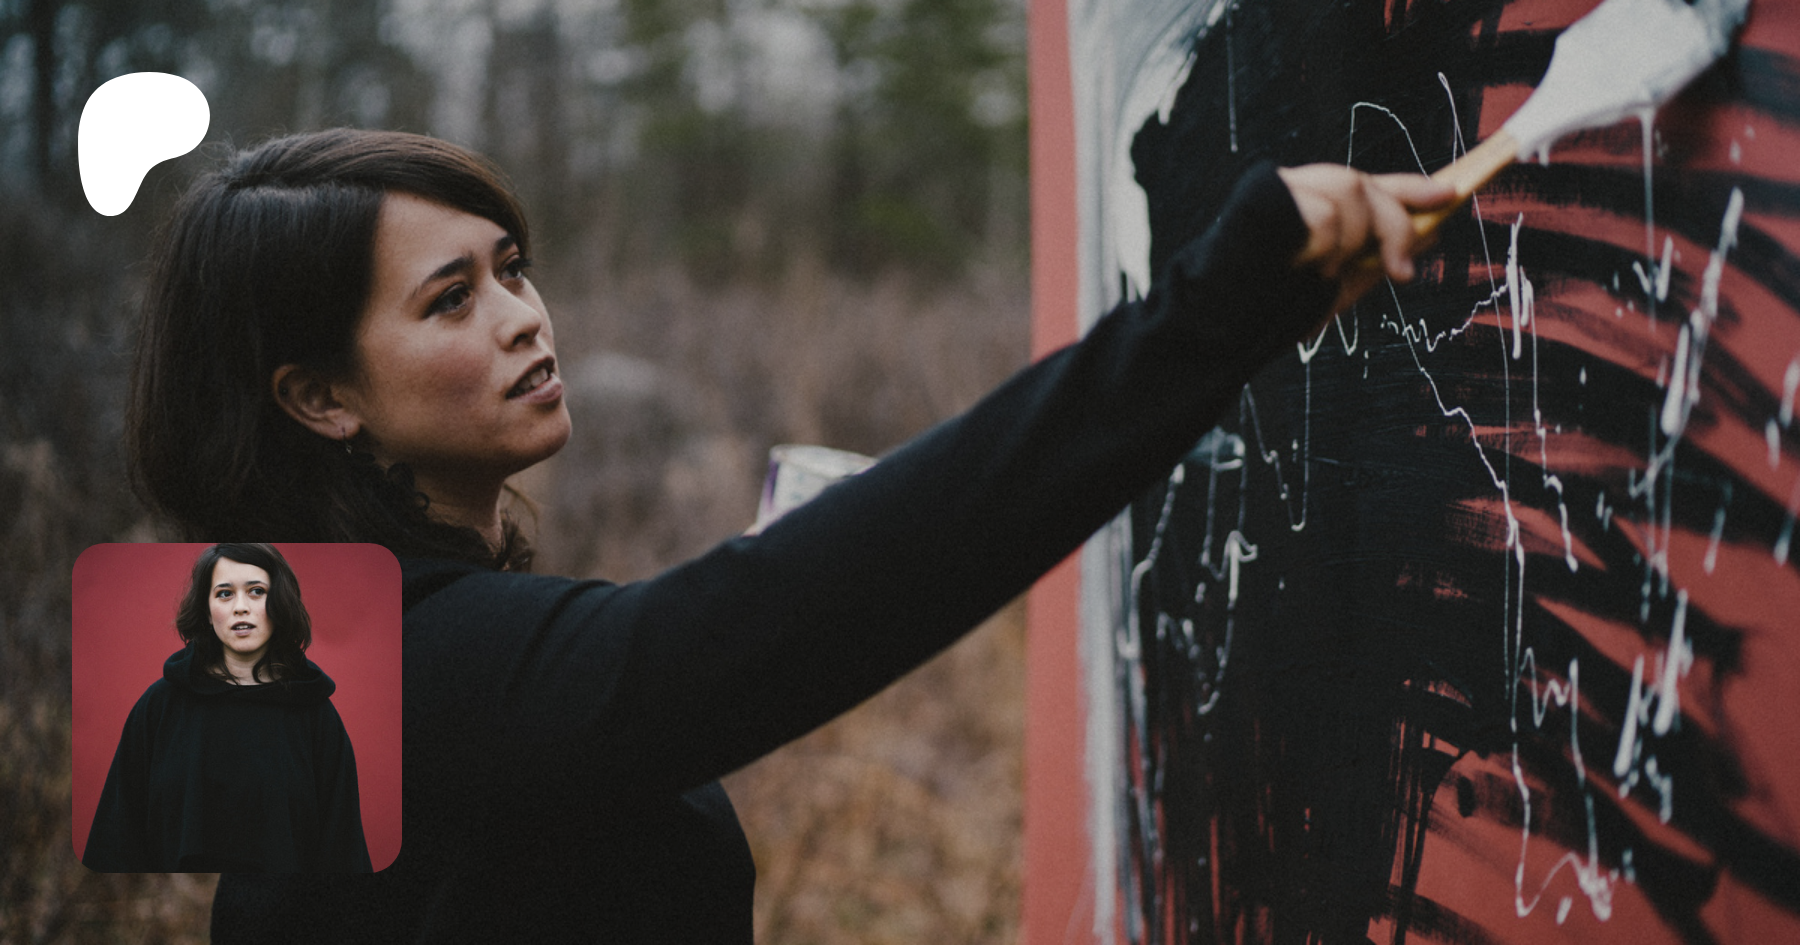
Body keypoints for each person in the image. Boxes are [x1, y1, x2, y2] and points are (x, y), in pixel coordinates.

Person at [124, 128, 1452, 939]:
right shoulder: (398, 670)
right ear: (320, 397)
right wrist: (1209, 316)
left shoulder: (303, 645)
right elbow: (749, 633)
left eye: (512, 267)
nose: (524, 316)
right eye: (450, 299)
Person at [83, 542, 373, 873]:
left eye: (256, 591)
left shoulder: (316, 717)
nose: (241, 608)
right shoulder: (159, 707)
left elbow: (342, 850)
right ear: (207, 612)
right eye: (224, 594)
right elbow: (116, 841)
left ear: (279, 603)